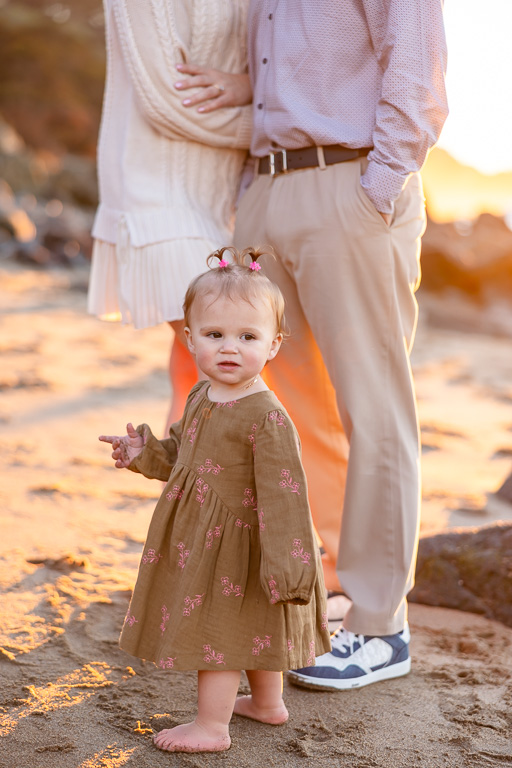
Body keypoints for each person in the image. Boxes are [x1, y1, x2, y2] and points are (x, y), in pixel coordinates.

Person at [175, 0, 449, 689]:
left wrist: (379, 187)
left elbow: (416, 68)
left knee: (373, 409)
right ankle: (312, 593)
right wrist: (246, 93)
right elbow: (293, 71)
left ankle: (381, 627)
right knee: (279, 415)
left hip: (350, 187)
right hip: (266, 192)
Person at [98, 247, 330, 753]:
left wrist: (290, 568)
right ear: (189, 339)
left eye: (248, 337)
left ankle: (211, 726)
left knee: (218, 631)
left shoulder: (266, 417)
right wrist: (145, 452)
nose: (230, 348)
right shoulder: (203, 393)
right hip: (209, 538)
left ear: (273, 345)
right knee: (253, 626)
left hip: (246, 546)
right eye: (215, 335)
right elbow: (185, 454)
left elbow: (286, 495)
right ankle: (268, 704)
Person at [87, 0, 252, 430]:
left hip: (221, 198)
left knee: (191, 366)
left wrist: (248, 86)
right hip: (156, 193)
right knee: (224, 363)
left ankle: (179, 493)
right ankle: (210, 493)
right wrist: (276, 126)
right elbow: (166, 101)